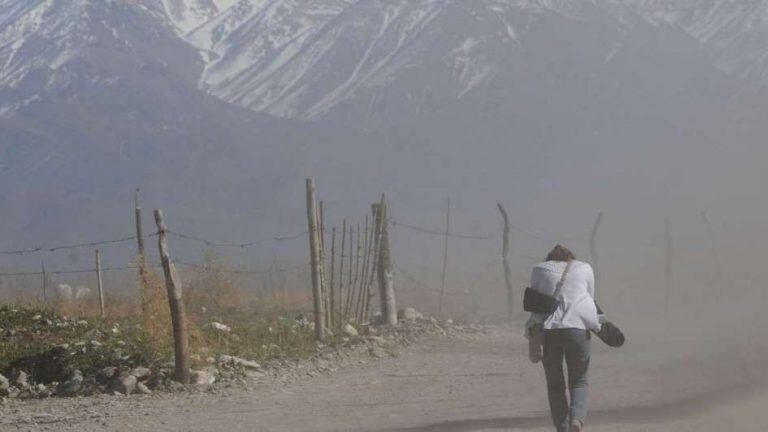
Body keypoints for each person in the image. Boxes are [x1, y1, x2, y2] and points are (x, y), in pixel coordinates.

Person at [527, 245, 601, 432]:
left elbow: (536, 302)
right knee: (579, 380)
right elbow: (590, 300)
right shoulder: (585, 268)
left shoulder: (539, 269)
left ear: (549, 258)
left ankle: (562, 427)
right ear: (571, 258)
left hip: (549, 330)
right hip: (578, 329)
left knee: (555, 384)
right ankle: (576, 420)